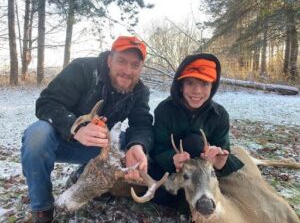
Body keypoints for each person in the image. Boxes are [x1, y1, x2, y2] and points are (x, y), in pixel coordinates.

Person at [21, 36, 153, 223]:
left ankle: (84, 177)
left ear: (141, 68)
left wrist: (138, 145)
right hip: (57, 140)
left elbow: (142, 125)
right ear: (109, 60)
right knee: (37, 135)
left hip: (97, 147)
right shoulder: (83, 69)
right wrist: (76, 127)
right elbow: (46, 103)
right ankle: (42, 208)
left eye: (135, 65)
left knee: (126, 142)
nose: (127, 71)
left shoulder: (140, 91)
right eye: (121, 62)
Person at [149, 53, 244, 214]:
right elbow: (158, 148)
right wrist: (173, 158)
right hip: (176, 170)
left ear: (212, 87)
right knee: (160, 196)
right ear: (180, 85)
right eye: (190, 83)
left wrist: (220, 161)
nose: (197, 91)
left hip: (204, 172)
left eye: (205, 84)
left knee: (195, 142)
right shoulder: (164, 110)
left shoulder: (219, 115)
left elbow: (224, 150)